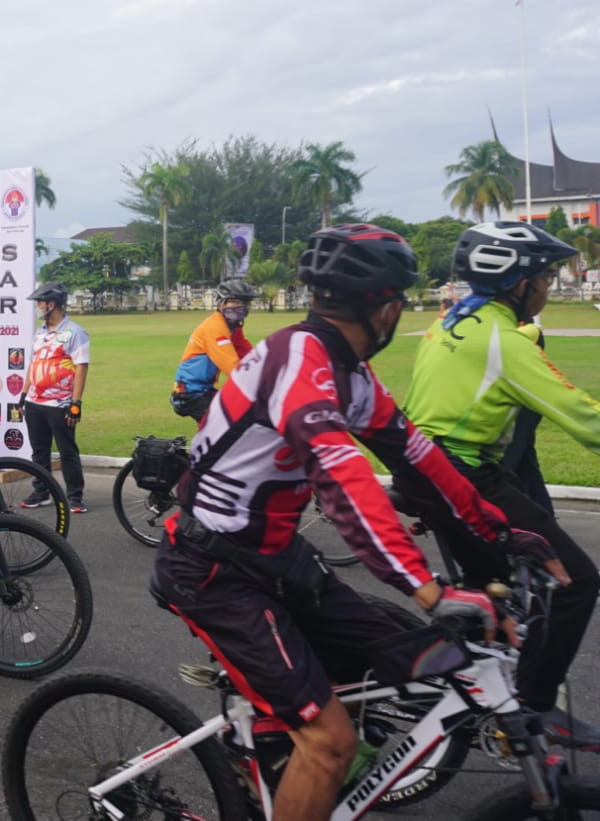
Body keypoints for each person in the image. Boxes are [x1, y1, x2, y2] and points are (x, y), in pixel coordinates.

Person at [151, 223, 559, 821]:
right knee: (332, 742)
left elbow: (419, 457)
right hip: (210, 569)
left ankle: (270, 753)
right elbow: (346, 484)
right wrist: (427, 588)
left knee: (399, 660)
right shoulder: (298, 363)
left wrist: (497, 529)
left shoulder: (349, 372)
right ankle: (296, 754)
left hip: (275, 559)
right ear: (385, 306)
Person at [401, 220, 600, 745]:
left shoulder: (449, 320)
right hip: (463, 475)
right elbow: (586, 421)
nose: (550, 288)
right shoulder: (504, 340)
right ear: (519, 282)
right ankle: (532, 708)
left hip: (426, 469)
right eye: (547, 277)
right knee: (575, 581)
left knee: (496, 593)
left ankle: (471, 683)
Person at [18, 282, 91, 513]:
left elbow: (81, 367)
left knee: (67, 450)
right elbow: (33, 364)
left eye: (40, 303)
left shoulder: (75, 332)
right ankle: (41, 492)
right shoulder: (39, 332)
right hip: (34, 402)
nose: (38, 307)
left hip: (60, 404)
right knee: (39, 451)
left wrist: (76, 403)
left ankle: (75, 497)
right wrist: (22, 393)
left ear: (52, 304)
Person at [170, 278, 257, 422]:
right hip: (189, 394)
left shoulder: (233, 327)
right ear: (221, 303)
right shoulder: (214, 328)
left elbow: (247, 353)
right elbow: (232, 367)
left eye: (244, 303)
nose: (241, 307)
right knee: (230, 427)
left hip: (205, 390)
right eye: (235, 302)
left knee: (241, 417)